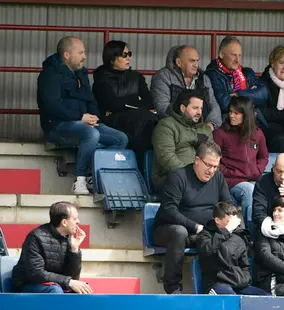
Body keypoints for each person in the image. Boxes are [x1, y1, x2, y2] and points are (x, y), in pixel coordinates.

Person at [37, 36, 129, 195]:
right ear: (67, 55)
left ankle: (93, 176)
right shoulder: (49, 75)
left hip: (85, 122)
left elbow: (90, 99)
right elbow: (52, 106)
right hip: (57, 126)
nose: (84, 57)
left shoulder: (81, 73)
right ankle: (79, 180)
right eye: (80, 53)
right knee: (91, 134)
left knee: (121, 138)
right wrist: (80, 117)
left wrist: (94, 117)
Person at [154, 142, 233, 294]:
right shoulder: (178, 176)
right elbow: (169, 210)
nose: (211, 171)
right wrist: (195, 227)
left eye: (216, 166)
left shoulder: (218, 178)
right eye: (208, 165)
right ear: (197, 160)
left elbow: (227, 204)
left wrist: (229, 221)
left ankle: (219, 286)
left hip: (204, 232)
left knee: (231, 233)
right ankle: (173, 288)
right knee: (179, 232)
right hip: (168, 229)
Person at [92, 40, 158, 170]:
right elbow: (109, 102)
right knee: (142, 120)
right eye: (124, 54)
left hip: (137, 119)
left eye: (129, 54)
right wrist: (135, 99)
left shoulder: (136, 77)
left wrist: (125, 103)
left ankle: (143, 169)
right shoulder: (101, 78)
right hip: (112, 121)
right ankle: (140, 168)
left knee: (148, 120)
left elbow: (148, 101)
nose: (128, 58)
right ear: (112, 58)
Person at [213, 96, 269, 230]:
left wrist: (257, 170)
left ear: (246, 115)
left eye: (236, 113)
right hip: (229, 182)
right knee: (249, 190)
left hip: (253, 179)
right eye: (230, 112)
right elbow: (214, 161)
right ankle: (251, 233)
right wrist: (233, 173)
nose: (231, 116)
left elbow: (264, 156)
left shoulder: (257, 133)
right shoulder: (220, 133)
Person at [11, 201, 91, 294]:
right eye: (75, 219)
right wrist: (68, 282)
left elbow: (73, 277)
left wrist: (74, 249)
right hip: (28, 284)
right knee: (55, 290)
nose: (78, 222)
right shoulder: (36, 237)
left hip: (55, 283)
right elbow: (36, 273)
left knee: (82, 289)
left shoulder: (68, 238)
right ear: (64, 222)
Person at [195, 202, 268, 296]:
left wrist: (244, 279)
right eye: (229, 222)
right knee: (231, 298)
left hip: (238, 283)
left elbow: (245, 265)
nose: (233, 226)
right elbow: (208, 252)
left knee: (265, 297)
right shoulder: (205, 236)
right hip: (217, 284)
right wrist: (226, 231)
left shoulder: (239, 236)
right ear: (217, 220)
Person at [151, 89, 213, 190]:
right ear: (183, 108)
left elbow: (212, 156)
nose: (199, 112)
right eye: (195, 108)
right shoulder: (166, 125)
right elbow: (166, 158)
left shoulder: (205, 129)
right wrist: (191, 176)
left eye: (201, 108)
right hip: (171, 178)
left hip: (202, 179)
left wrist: (209, 174)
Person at [151, 45, 222, 129]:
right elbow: (162, 107)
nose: (196, 65)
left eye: (197, 61)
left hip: (201, 127)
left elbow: (213, 105)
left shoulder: (204, 79)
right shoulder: (163, 76)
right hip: (174, 128)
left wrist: (211, 124)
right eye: (192, 61)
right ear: (179, 62)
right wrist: (187, 125)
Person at [204, 36, 268, 122]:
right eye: (234, 55)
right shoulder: (212, 74)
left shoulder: (247, 73)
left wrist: (239, 94)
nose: (237, 60)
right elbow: (224, 103)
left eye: (240, 55)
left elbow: (263, 94)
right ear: (222, 54)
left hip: (252, 122)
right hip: (228, 123)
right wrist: (250, 93)